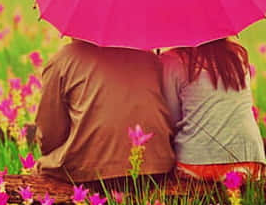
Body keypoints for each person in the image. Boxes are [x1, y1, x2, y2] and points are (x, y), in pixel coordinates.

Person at [35, 39, 175, 186]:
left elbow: (49, 132)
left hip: (89, 171)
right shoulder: (150, 58)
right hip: (157, 167)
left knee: (43, 167)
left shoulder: (64, 59)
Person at [159, 38, 266, 183]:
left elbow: (171, 119)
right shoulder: (237, 56)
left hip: (196, 164)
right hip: (250, 160)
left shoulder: (171, 60)